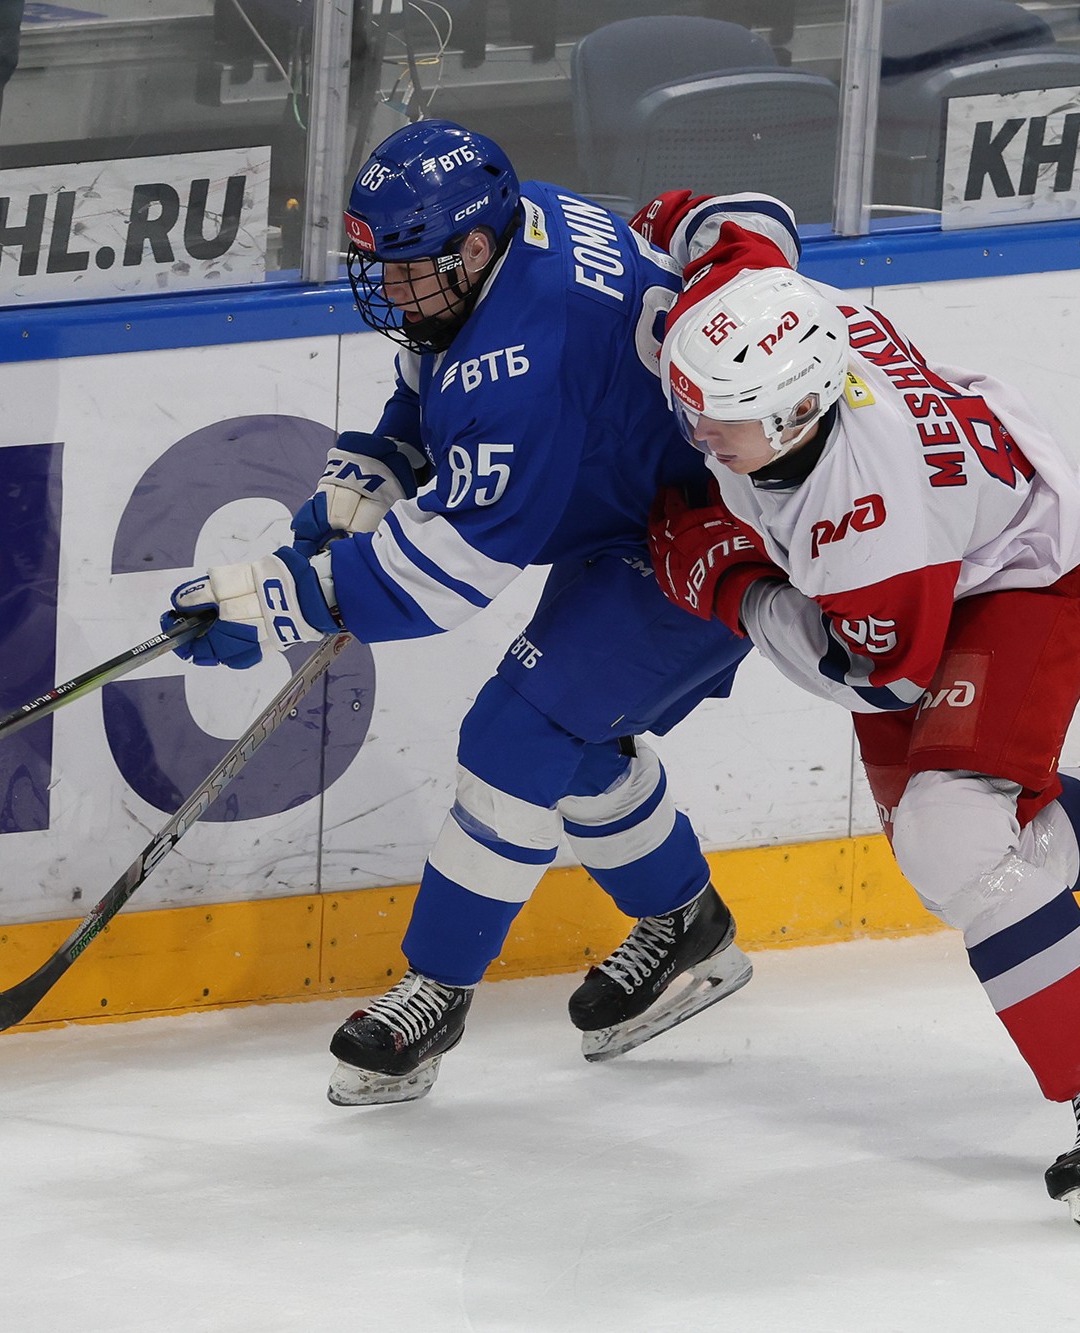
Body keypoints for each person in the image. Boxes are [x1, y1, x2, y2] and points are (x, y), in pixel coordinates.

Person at [631, 190, 1080, 1231]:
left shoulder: (863, 520)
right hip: (965, 533)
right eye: (693, 400)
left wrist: (731, 586)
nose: (697, 428)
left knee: (958, 844)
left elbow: (872, 672)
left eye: (722, 415)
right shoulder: (757, 311)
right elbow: (742, 222)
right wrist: (659, 227)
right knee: (970, 853)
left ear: (796, 414)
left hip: (1024, 576)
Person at [161, 121, 756, 1107]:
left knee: (515, 732)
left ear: (473, 247)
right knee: (565, 733)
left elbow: (445, 576)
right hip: (642, 504)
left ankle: (434, 992)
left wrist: (274, 598)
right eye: (382, 267)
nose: (391, 292)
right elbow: (438, 367)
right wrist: (385, 463)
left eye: (407, 271)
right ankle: (688, 924)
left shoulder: (525, 361)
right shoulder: (521, 227)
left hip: (717, 531)